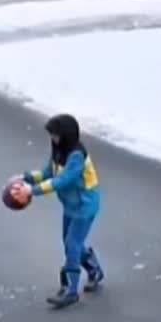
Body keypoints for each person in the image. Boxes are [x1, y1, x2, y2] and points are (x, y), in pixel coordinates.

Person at [17, 113, 105, 309]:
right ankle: (94, 270)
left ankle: (71, 291)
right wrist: (26, 178)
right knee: (70, 243)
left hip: (84, 205)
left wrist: (33, 190)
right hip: (70, 205)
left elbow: (63, 180)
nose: (52, 138)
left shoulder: (76, 156)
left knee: (72, 243)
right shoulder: (59, 151)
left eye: (55, 135)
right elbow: (49, 173)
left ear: (66, 135)